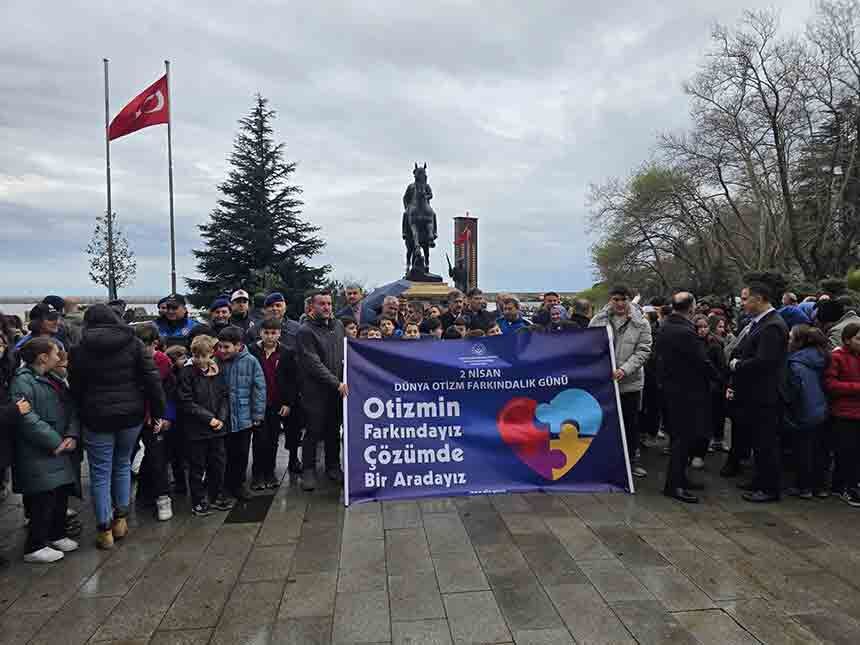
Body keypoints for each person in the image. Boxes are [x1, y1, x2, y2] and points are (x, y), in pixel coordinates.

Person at [69, 305, 166, 549]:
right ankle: (121, 520)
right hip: (130, 415)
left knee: (100, 473)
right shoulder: (134, 344)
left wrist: (80, 413)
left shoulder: (79, 348)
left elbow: (76, 387)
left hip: (96, 417)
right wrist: (158, 412)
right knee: (122, 464)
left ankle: (104, 530)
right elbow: (152, 379)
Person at [10, 339, 80, 563]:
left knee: (60, 493)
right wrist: (55, 441)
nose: (59, 357)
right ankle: (35, 545)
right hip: (37, 451)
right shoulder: (22, 381)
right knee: (43, 498)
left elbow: (71, 408)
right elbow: (26, 418)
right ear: (42, 357)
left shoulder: (54, 378)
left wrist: (72, 434)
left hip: (60, 446)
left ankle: (57, 534)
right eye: (55, 353)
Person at [725, 281, 789, 503]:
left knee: (766, 443)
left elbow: (764, 362)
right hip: (755, 394)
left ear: (759, 299)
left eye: (745, 299)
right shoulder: (760, 323)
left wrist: (737, 365)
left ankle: (769, 488)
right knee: (758, 442)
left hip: (765, 395)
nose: (742, 303)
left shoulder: (772, 325)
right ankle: (759, 481)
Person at [657, 293, 718, 503]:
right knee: (683, 440)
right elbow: (701, 361)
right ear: (691, 307)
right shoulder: (685, 331)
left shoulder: (665, 326)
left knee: (679, 438)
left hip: (671, 389)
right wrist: (720, 379)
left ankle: (680, 479)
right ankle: (674, 485)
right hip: (687, 392)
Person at [589, 285, 652, 478]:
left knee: (630, 424)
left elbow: (643, 350)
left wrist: (624, 369)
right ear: (610, 300)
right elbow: (588, 345)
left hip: (629, 383)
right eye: (616, 299)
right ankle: (604, 461)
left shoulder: (641, 323)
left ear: (629, 300)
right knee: (604, 423)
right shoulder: (598, 320)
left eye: (624, 299)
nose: (620, 303)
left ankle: (631, 461)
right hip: (604, 383)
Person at [296, 291, 346, 491]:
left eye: (329, 303)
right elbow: (312, 363)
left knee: (333, 429)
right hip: (315, 391)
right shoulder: (305, 331)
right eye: (322, 304)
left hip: (336, 390)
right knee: (313, 430)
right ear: (311, 307)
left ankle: (333, 466)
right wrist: (336, 383)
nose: (327, 307)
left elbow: (347, 351)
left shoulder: (338, 326)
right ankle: (308, 470)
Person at [178, 335, 231, 516]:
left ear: (211, 354)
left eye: (203, 356)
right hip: (196, 429)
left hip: (217, 428)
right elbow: (186, 402)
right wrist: (209, 418)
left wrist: (221, 418)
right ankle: (198, 501)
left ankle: (216, 496)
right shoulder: (186, 373)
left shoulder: (217, 371)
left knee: (218, 464)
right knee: (197, 467)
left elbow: (224, 396)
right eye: (196, 356)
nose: (200, 360)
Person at [217, 326, 266, 501]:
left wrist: (257, 414)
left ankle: (238, 484)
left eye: (226, 347)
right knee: (223, 453)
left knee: (241, 453)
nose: (222, 350)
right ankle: (223, 485)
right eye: (220, 346)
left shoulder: (251, 361)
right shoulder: (216, 360)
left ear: (238, 345)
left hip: (244, 416)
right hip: (223, 417)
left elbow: (259, 388)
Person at [133, 323, 176, 521]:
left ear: (155, 344)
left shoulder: (163, 361)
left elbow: (168, 392)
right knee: (137, 458)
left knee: (157, 458)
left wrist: (167, 416)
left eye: (146, 346)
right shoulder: (131, 361)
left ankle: (163, 497)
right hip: (135, 415)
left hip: (156, 417)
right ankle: (143, 494)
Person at [249, 318, 299, 488]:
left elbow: (293, 380)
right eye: (266, 333)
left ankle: (270, 473)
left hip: (277, 403)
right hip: (258, 402)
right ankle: (257, 475)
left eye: (273, 333)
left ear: (279, 334)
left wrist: (288, 403)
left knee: (273, 439)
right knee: (259, 439)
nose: (270, 336)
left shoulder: (286, 352)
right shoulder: (252, 350)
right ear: (260, 333)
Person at [784, 325, 830, 499]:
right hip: (822, 410)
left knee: (803, 451)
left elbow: (794, 391)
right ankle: (820, 486)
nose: (787, 341)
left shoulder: (795, 363)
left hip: (804, 411)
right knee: (819, 450)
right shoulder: (822, 357)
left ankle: (804, 487)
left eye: (790, 338)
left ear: (799, 341)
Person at [824, 322, 860, 505]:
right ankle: (848, 488)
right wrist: (856, 388)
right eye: (858, 339)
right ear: (847, 339)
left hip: (856, 412)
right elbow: (831, 385)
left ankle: (841, 486)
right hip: (844, 413)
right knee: (847, 453)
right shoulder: (837, 357)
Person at [706, 316, 730, 452]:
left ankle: (716, 439)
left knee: (717, 413)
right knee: (716, 413)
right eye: (720, 326)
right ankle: (714, 440)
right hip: (716, 384)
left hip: (716, 383)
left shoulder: (717, 342)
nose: (723, 329)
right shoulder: (715, 344)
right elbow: (720, 365)